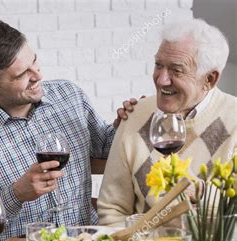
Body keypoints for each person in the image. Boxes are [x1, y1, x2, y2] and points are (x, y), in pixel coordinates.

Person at [0, 20, 129, 241]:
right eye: (22, 74)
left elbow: (106, 149)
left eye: (35, 61)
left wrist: (127, 124)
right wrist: (16, 194)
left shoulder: (68, 96)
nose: (37, 76)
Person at [98, 18, 237, 226]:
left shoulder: (233, 119)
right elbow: (112, 209)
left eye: (176, 70)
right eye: (158, 65)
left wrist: (200, 194)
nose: (161, 79)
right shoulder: (135, 115)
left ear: (210, 79)